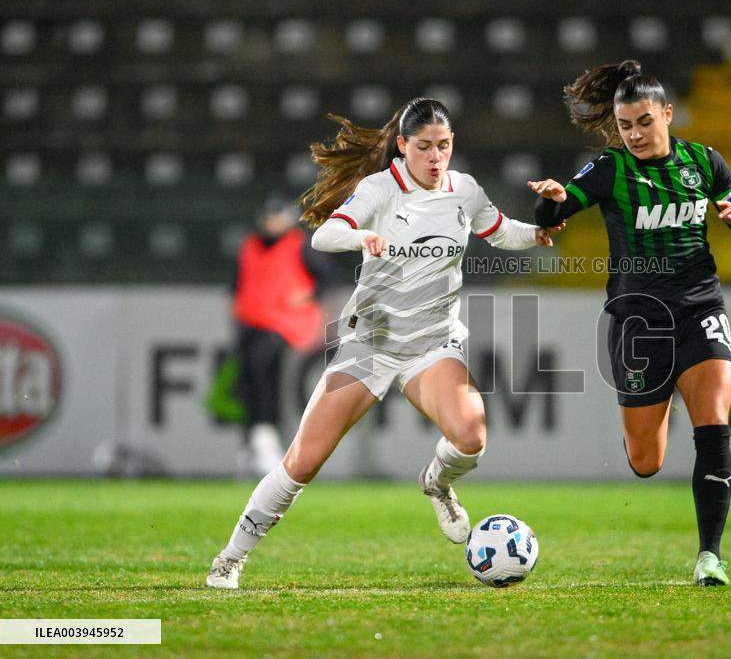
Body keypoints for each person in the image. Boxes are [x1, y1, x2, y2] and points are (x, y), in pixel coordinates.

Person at [206, 97, 564, 589]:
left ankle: (437, 483)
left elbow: (500, 232)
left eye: (443, 146)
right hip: (370, 342)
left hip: (433, 342)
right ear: (402, 146)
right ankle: (230, 557)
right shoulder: (380, 189)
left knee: (471, 434)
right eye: (424, 147)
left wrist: (539, 231)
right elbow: (324, 237)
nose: (435, 157)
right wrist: (362, 239)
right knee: (303, 462)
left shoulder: (465, 191)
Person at [528, 59, 731, 586]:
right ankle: (665, 402)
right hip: (637, 321)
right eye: (625, 124)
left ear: (667, 115)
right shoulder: (611, 169)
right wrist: (551, 204)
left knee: (715, 423)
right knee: (645, 462)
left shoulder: (705, 163)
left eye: (644, 122)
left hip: (701, 306)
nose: (634, 133)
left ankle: (710, 557)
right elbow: (555, 213)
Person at [228, 196, 337, 476]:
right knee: (248, 378)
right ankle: (251, 441)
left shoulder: (299, 244)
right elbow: (237, 283)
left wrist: (309, 296)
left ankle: (265, 437)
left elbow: (326, 277)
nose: (272, 222)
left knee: (262, 367)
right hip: (250, 322)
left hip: (285, 323)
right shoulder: (250, 246)